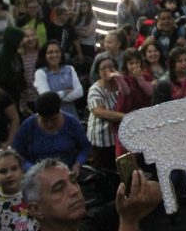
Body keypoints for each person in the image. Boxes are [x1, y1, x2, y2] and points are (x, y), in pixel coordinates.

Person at [21, 157, 161, 231]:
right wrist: (129, 220)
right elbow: (128, 217)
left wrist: (136, 188)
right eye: (59, 188)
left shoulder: (92, 221)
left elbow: (156, 193)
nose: (75, 191)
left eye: (73, 181)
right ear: (36, 209)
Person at [12, 91, 90, 174]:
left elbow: (85, 147)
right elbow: (17, 154)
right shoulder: (28, 126)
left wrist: (77, 164)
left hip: (67, 171)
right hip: (37, 174)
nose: (49, 125)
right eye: (44, 121)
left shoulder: (71, 123)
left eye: (54, 120)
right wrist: (31, 169)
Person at [87, 57, 125, 171]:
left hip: (120, 138)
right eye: (103, 68)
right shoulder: (95, 90)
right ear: (98, 72)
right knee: (106, 172)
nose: (107, 70)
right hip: (103, 139)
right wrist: (126, 117)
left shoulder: (120, 85)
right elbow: (100, 112)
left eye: (111, 67)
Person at [33, 40, 83, 117]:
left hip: (71, 114)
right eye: (50, 52)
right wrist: (65, 92)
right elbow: (47, 99)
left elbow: (80, 92)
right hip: (51, 116)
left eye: (57, 51)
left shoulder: (69, 69)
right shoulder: (40, 73)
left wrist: (56, 97)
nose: (54, 55)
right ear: (44, 55)